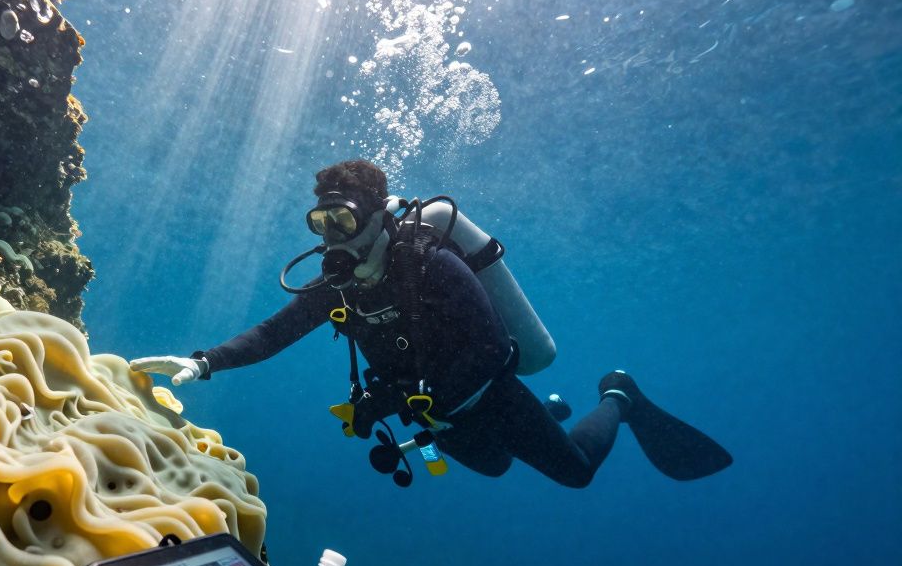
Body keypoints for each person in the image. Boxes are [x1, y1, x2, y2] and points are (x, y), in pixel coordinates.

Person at [131, 160, 731, 488]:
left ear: (377, 218)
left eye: (342, 221)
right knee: (494, 466)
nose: (331, 239)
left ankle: (618, 395)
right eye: (320, 224)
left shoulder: (431, 264)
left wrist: (392, 398)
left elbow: (491, 350)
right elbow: (273, 333)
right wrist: (203, 362)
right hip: (436, 415)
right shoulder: (337, 284)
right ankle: (548, 415)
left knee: (575, 473)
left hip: (489, 395)